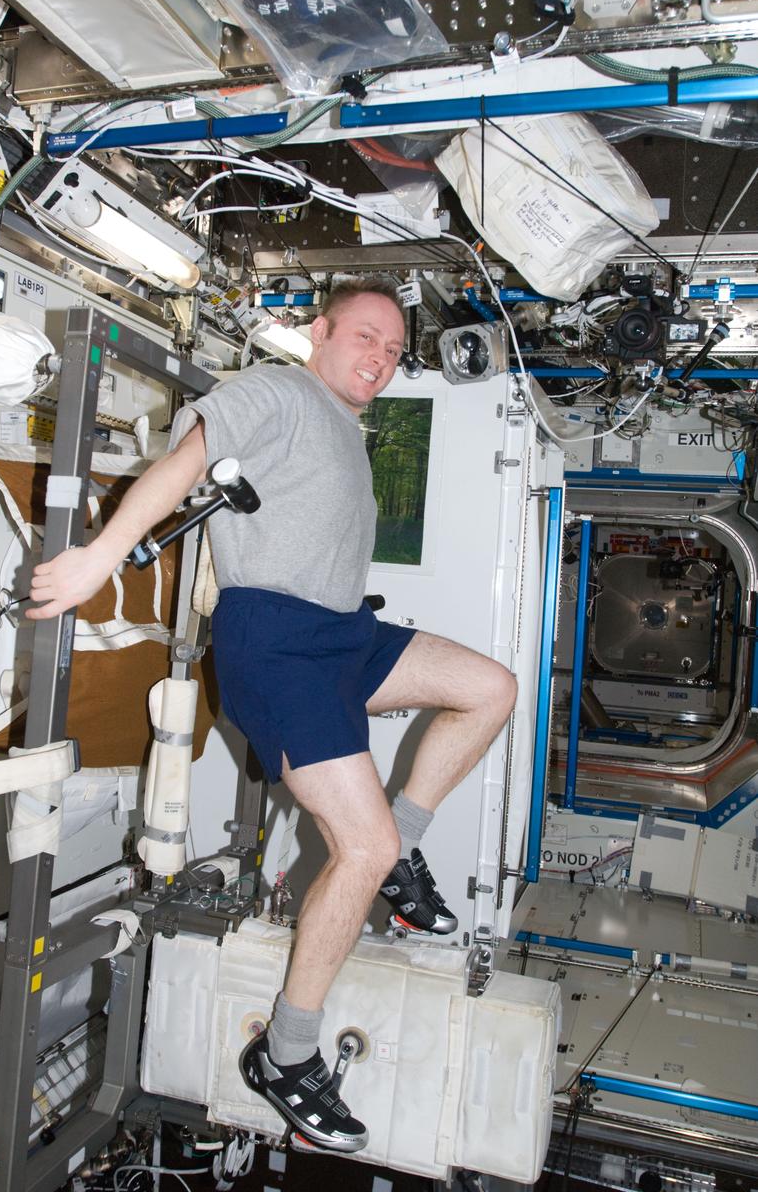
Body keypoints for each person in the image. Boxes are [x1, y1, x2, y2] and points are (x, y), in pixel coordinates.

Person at [27, 279, 517, 1154]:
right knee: (356, 851)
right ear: (319, 332)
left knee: (491, 689)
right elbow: (183, 466)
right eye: (366, 336)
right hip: (276, 644)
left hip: (341, 637)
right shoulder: (278, 389)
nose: (379, 358)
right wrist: (100, 558)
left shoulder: (346, 428)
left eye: (393, 351)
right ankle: (286, 1058)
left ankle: (401, 844)